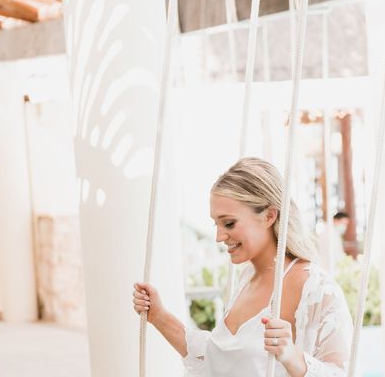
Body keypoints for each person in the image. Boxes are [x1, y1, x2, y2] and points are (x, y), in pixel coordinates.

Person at [132, 157, 353, 376]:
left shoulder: (316, 288)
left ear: (269, 216)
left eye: (229, 223)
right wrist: (159, 316)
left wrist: (293, 357)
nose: (219, 236)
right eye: (215, 224)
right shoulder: (246, 278)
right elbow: (220, 359)